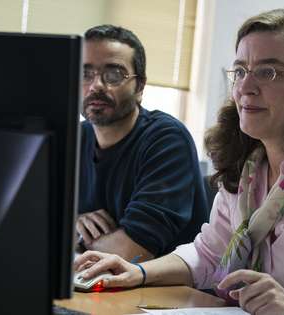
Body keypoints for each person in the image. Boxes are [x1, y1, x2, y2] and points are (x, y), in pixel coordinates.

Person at [74, 8, 284, 315]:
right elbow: (208, 253)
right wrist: (137, 273)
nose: (245, 87)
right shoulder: (247, 170)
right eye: (241, 71)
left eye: (268, 72)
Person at [77, 24, 210, 262]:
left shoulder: (167, 139)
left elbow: (132, 252)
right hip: (101, 287)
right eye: (85, 74)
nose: (95, 85)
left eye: (114, 74)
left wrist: (77, 236)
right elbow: (33, 225)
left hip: (167, 294)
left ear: (139, 87)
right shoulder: (75, 138)